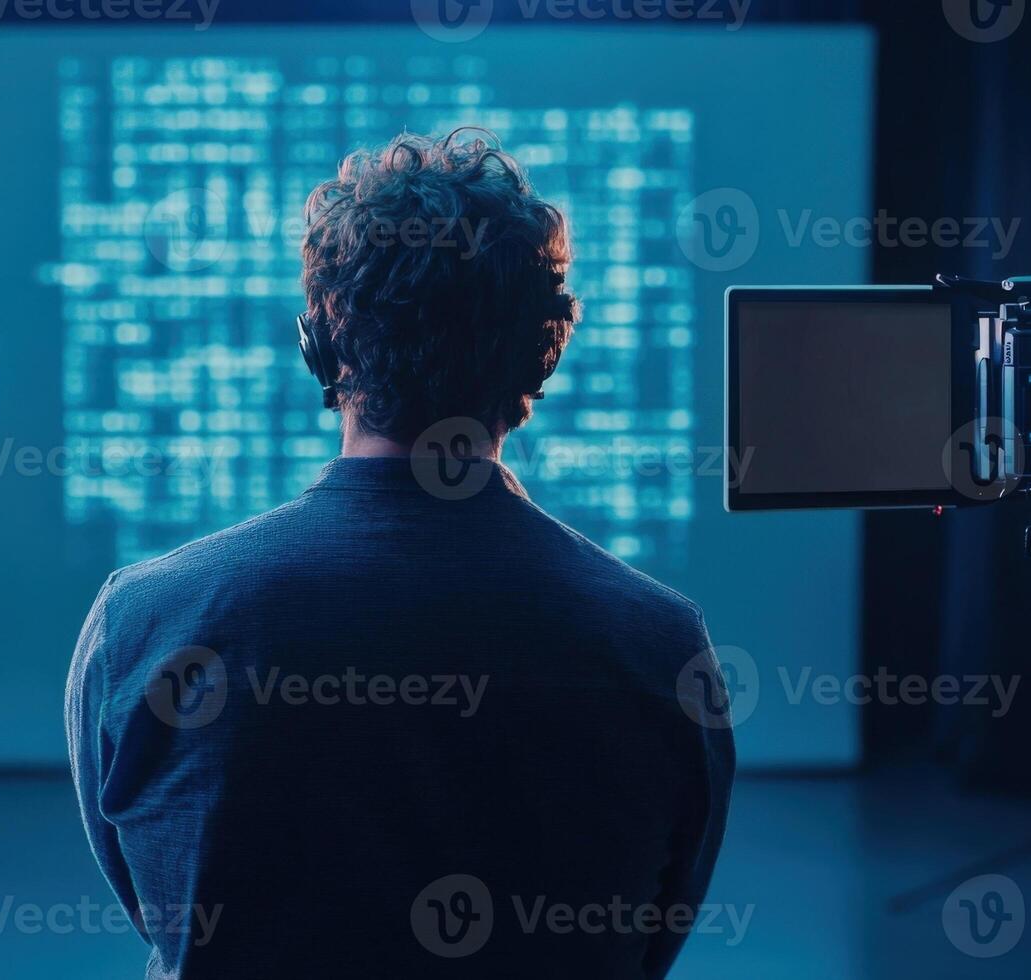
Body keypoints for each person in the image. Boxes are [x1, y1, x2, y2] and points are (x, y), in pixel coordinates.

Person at [66, 129, 734, 979]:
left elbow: (154, 907)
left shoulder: (144, 619)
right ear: (543, 351)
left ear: (320, 339)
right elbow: (653, 937)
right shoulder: (659, 643)